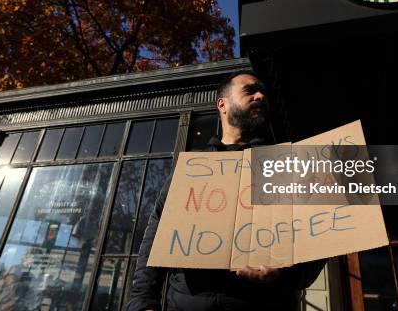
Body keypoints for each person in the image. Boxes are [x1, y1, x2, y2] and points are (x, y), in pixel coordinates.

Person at [127, 71, 327, 311]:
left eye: (263, 92)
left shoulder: (289, 167)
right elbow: (155, 236)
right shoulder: (191, 171)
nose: (261, 96)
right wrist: (143, 302)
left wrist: (285, 275)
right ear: (222, 104)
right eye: (249, 90)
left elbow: (318, 241)